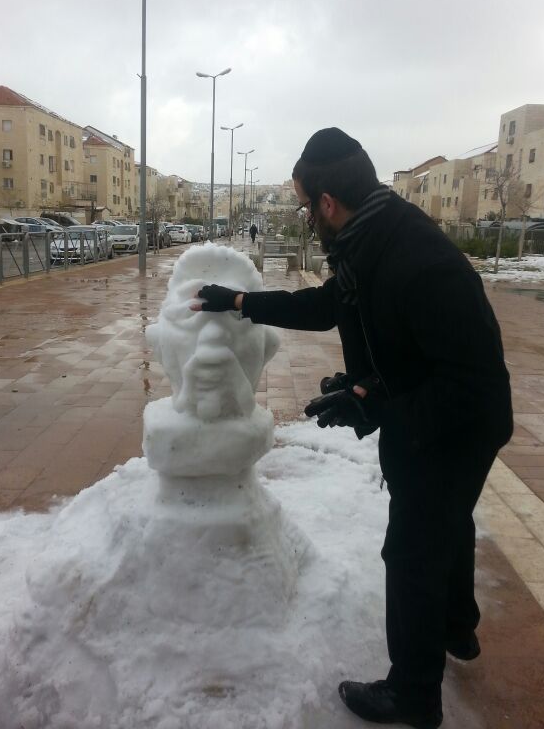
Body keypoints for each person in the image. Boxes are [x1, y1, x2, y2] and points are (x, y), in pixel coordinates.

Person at [193, 127, 513, 729]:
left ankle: (413, 694)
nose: (305, 217)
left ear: (327, 205)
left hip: (459, 424)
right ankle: (457, 629)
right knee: (449, 521)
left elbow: (468, 384)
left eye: (304, 206)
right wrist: (239, 303)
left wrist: (378, 406)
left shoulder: (414, 259)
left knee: (413, 551)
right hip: (439, 413)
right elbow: (327, 306)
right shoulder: (371, 239)